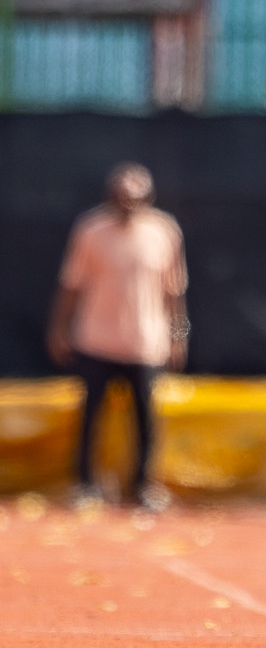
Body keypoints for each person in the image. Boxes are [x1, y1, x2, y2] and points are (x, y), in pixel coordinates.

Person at [47, 162, 187, 511]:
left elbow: (174, 291)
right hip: (96, 340)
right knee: (91, 416)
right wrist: (59, 329)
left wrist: (179, 335)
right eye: (121, 195)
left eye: (135, 195)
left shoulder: (165, 232)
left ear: (147, 197)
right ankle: (86, 486)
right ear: (110, 195)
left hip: (145, 342)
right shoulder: (90, 230)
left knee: (145, 419)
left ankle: (142, 487)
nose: (128, 201)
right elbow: (70, 284)